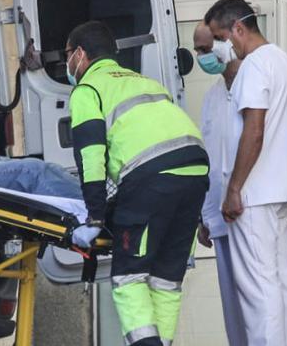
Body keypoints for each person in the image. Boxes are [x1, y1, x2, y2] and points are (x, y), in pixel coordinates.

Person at [66, 21, 208, 346]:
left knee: (129, 276)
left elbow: (91, 154)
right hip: (194, 171)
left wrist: (96, 214)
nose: (69, 67)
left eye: (68, 57)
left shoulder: (88, 89)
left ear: (79, 54)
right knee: (166, 280)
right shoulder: (145, 82)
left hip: (152, 177)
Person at [205, 0, 287, 346]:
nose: (222, 47)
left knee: (257, 290)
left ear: (239, 28)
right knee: (282, 282)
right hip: (281, 193)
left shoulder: (254, 66)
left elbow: (254, 128)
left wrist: (234, 188)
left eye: (221, 37)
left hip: (254, 197)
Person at [192, 22, 247, 346]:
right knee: (234, 314)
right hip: (220, 220)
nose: (200, 57)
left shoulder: (257, 83)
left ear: (225, 41)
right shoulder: (212, 96)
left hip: (250, 215)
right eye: (197, 50)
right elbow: (211, 159)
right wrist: (205, 218)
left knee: (259, 308)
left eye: (204, 48)